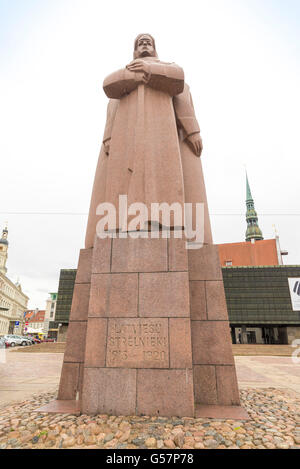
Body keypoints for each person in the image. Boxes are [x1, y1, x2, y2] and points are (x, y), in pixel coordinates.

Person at [85, 34, 213, 248]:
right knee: (125, 187)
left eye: (148, 42)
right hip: (127, 140)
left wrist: (192, 131)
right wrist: (108, 136)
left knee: (163, 182)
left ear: (155, 48)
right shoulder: (124, 79)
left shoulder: (168, 71)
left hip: (163, 138)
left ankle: (163, 223)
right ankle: (127, 223)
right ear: (134, 50)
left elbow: (181, 92)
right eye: (140, 42)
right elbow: (112, 104)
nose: (144, 44)